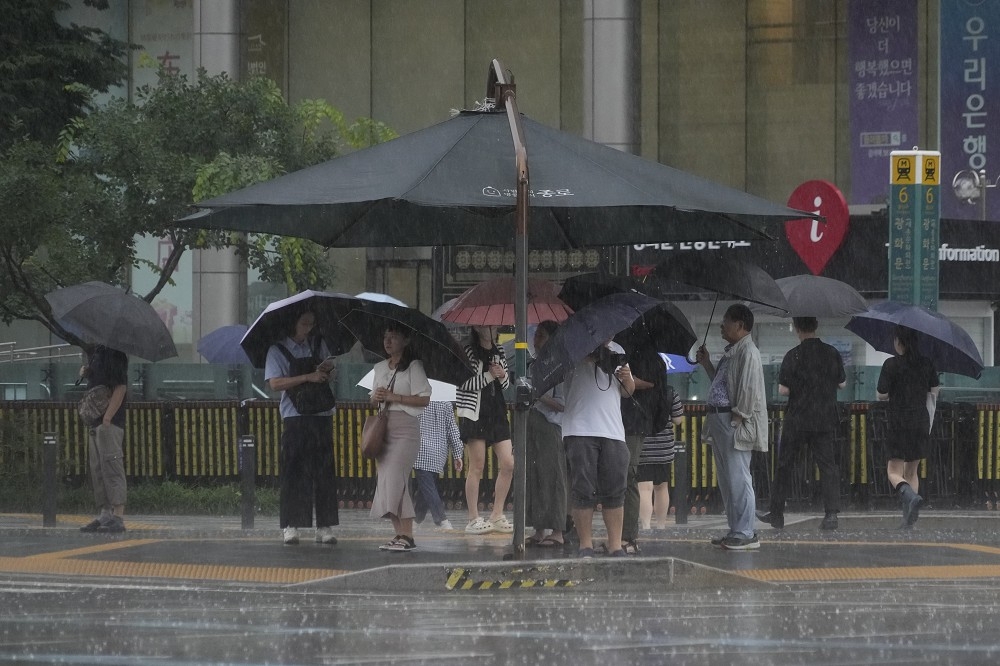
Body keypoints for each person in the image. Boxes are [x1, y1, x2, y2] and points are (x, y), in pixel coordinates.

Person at [758, 317, 847, 530]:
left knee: (784, 465)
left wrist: (802, 388)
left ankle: (777, 513)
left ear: (797, 329)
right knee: (828, 466)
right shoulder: (831, 353)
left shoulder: (793, 355)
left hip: (797, 419)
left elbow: (783, 389)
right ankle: (831, 514)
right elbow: (842, 384)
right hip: (823, 419)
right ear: (816, 327)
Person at [695, 303, 768, 551]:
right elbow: (724, 386)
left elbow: (748, 390)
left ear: (739, 325)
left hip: (732, 421)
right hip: (721, 419)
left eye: (725, 321)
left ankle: (746, 532)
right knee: (727, 480)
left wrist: (738, 419)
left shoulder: (749, 352)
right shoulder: (733, 351)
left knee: (739, 478)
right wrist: (706, 365)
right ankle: (736, 529)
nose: (721, 326)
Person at [265, 310, 339, 546]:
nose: (308, 328)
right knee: (293, 471)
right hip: (294, 416)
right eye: (304, 323)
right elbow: (275, 383)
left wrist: (327, 372)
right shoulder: (277, 350)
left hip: (321, 414)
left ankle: (325, 525)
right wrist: (308, 376)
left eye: (311, 323)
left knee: (324, 471)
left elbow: (332, 371)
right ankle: (291, 525)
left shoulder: (319, 344)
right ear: (292, 323)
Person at [561, 338, 635, 558]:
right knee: (583, 489)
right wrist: (590, 355)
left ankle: (615, 545)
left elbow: (628, 391)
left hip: (612, 429)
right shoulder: (574, 345)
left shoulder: (618, 350)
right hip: (580, 428)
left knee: (615, 490)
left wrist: (625, 377)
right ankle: (586, 544)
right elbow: (561, 371)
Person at [370, 323, 432, 551]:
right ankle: (399, 534)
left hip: (406, 429)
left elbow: (423, 399)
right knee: (386, 482)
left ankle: (408, 535)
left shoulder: (414, 367)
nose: (388, 341)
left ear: (405, 341)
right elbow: (373, 400)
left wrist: (394, 397)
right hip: (384, 428)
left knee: (397, 478)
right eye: (386, 337)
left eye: (394, 337)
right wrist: (377, 397)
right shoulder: (379, 367)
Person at [876, 325, 940, 528]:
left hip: (899, 422)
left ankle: (909, 496)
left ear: (898, 342)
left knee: (893, 471)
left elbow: (881, 394)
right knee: (912, 472)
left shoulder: (891, 364)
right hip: (921, 421)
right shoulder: (927, 364)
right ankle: (909, 520)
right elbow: (935, 391)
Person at [457, 325, 515, 535]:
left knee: (508, 463)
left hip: (497, 412)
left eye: (492, 325)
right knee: (477, 466)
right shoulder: (469, 351)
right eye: (484, 325)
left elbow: (507, 384)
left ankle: (497, 513)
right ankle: (473, 517)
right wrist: (490, 376)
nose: (489, 329)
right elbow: (464, 383)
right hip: (475, 413)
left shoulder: (499, 349)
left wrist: (501, 375)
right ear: (475, 327)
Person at [618, 342, 666, 554]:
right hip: (626, 422)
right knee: (625, 477)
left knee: (628, 476)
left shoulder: (643, 353)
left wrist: (626, 380)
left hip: (633, 422)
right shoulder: (629, 350)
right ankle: (621, 535)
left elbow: (650, 382)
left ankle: (628, 535)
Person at [526, 320, 568, 547]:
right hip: (534, 421)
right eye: (536, 335)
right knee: (535, 476)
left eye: (541, 335)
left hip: (551, 425)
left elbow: (563, 403)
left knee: (553, 476)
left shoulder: (560, 366)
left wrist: (539, 395)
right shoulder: (535, 364)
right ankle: (539, 527)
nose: (536, 339)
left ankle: (558, 529)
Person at [79, 345, 129, 534]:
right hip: (95, 421)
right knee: (98, 468)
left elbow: (121, 387)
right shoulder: (97, 352)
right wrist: (86, 373)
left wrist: (108, 418)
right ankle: (105, 513)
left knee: (112, 465)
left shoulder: (116, 354)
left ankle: (118, 516)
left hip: (109, 422)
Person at [638, 380, 684, 530]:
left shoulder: (636, 391)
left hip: (643, 446)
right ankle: (660, 525)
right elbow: (678, 420)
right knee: (661, 487)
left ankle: (645, 526)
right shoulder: (670, 392)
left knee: (644, 488)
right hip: (663, 448)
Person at [413, 400, 464, 531]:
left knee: (428, 487)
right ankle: (417, 519)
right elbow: (452, 429)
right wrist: (457, 454)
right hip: (439, 451)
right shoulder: (445, 403)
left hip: (420, 448)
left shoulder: (415, 400)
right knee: (427, 486)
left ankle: (442, 520)